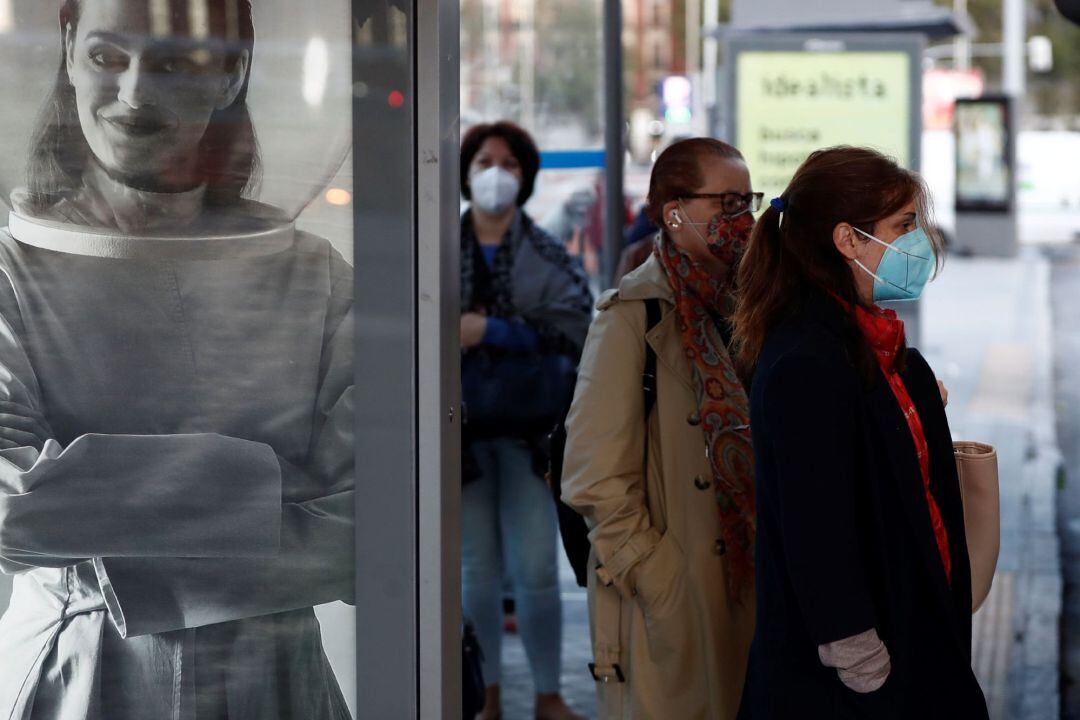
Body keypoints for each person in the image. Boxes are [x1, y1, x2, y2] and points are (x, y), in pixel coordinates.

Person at [0, 1, 355, 718]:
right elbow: (11, 508)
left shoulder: (316, 275)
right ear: (68, 54)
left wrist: (95, 513)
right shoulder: (11, 273)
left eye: (172, 62)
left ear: (232, 73)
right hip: (75, 677)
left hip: (276, 680)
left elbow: (362, 525)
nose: (134, 94)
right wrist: (270, 480)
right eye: (108, 57)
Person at [732, 146, 989, 719]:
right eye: (903, 226)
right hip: (856, 678)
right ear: (849, 240)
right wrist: (860, 659)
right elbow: (814, 524)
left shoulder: (877, 349)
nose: (919, 240)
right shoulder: (806, 360)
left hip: (910, 639)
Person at [561, 137, 760, 719]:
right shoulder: (631, 316)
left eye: (746, 202)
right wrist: (660, 579)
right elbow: (592, 475)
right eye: (725, 204)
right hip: (676, 599)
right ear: (673, 212)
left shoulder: (750, 306)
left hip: (749, 585)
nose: (740, 221)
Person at [459, 120, 593, 720]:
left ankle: (547, 694)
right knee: (474, 573)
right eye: (485, 161)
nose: (495, 174)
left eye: (509, 164)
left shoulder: (546, 253)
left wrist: (491, 330)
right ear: (464, 172)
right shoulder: (434, 249)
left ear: (526, 177)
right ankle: (484, 693)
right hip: (454, 437)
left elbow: (576, 328)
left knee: (537, 569)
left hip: (528, 436)